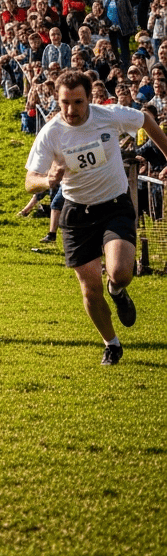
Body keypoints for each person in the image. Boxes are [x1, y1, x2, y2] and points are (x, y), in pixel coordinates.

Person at [25, 70, 167, 364]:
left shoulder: (109, 115)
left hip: (114, 205)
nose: (70, 110)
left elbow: (145, 120)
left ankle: (117, 291)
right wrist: (48, 180)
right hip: (77, 213)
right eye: (64, 102)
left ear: (90, 98)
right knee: (89, 287)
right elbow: (30, 180)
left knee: (120, 272)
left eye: (78, 102)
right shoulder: (50, 133)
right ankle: (111, 344)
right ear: (57, 99)